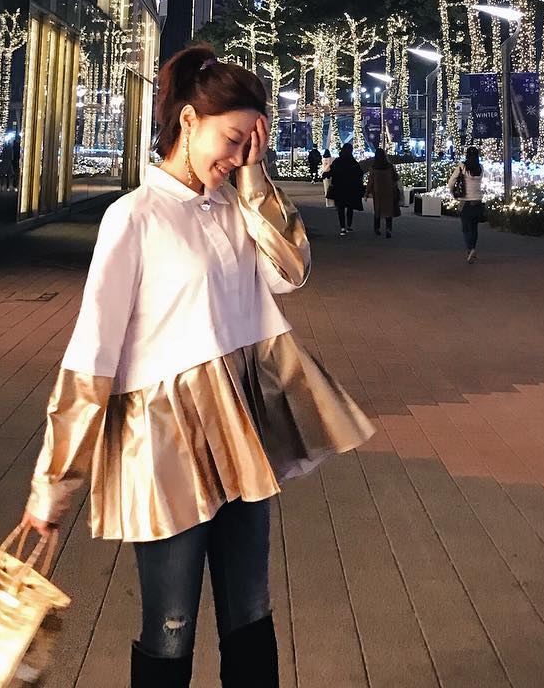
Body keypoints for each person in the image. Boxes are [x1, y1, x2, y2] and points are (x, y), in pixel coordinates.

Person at [21, 45, 372, 687]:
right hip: (164, 443)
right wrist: (53, 488)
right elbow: (91, 356)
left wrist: (255, 178)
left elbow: (291, 272)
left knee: (251, 612)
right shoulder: (133, 218)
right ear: (188, 120)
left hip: (239, 433)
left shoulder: (235, 208)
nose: (237, 156)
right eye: (232, 140)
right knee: (170, 625)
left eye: (251, 144)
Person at [447, 145, 484, 263]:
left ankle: (470, 249)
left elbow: (451, 182)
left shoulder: (462, 166)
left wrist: (453, 193)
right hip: (478, 200)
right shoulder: (480, 168)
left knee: (465, 228)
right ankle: (473, 248)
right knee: (474, 227)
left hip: (466, 201)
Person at [327, 142, 364, 235]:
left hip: (339, 187)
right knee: (350, 207)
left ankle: (342, 227)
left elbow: (332, 172)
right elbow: (359, 174)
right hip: (350, 188)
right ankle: (349, 225)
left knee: (341, 208)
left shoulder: (338, 161)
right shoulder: (353, 162)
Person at [365, 147, 399, 237]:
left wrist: (367, 193)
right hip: (389, 191)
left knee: (378, 210)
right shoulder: (390, 166)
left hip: (378, 192)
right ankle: (388, 229)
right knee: (389, 211)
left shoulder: (374, 168)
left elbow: (370, 181)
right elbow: (395, 177)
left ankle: (377, 228)